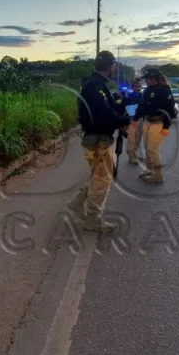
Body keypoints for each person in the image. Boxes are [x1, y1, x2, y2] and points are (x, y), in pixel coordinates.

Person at [66, 50, 131, 232]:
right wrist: (123, 120)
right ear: (111, 67)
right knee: (102, 179)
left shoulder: (95, 85)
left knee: (99, 177)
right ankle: (92, 219)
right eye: (113, 66)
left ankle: (77, 202)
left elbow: (104, 109)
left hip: (97, 138)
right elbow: (103, 115)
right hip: (98, 140)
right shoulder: (95, 86)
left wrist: (119, 104)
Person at [132, 68, 176, 183]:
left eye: (149, 78)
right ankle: (149, 169)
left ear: (156, 78)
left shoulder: (165, 91)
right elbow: (142, 107)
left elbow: (170, 111)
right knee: (147, 147)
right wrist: (136, 119)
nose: (147, 81)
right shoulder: (147, 90)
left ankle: (158, 175)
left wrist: (166, 126)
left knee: (153, 149)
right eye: (146, 79)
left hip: (158, 123)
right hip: (147, 121)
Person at [123, 78, 144, 164]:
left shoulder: (142, 95)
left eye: (139, 86)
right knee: (131, 138)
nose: (137, 88)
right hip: (132, 119)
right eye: (136, 86)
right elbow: (126, 108)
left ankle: (135, 154)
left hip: (140, 119)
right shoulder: (130, 96)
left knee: (138, 138)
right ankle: (131, 156)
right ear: (132, 87)